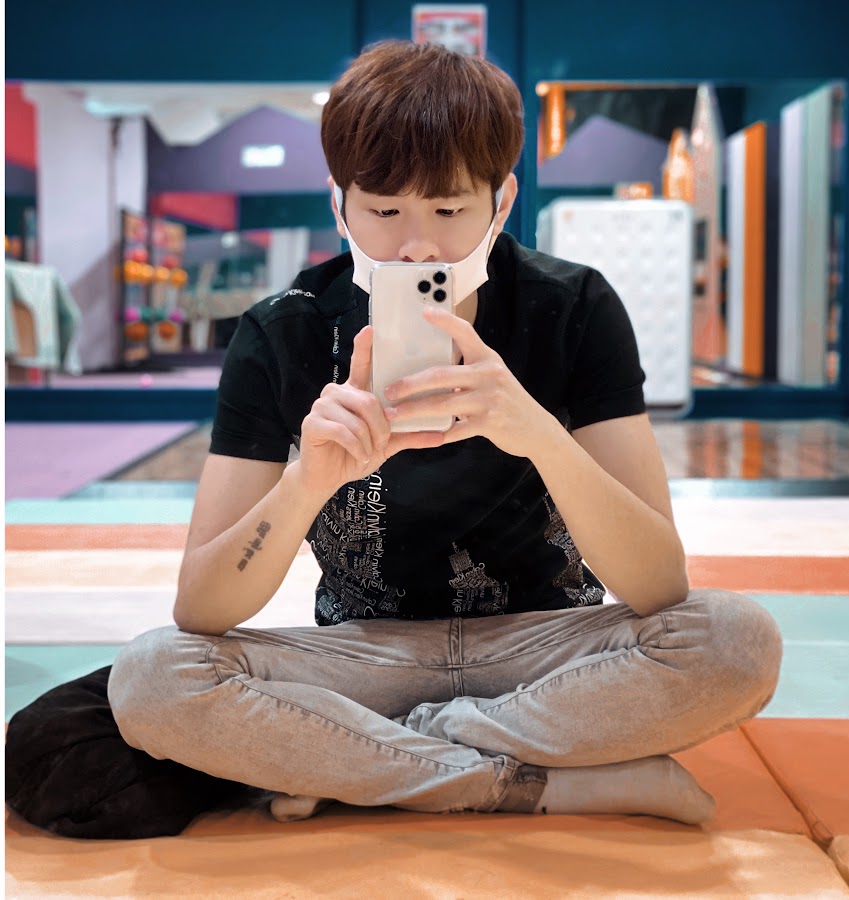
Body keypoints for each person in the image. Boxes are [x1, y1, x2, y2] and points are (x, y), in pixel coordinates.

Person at [108, 40, 782, 824]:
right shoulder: (283, 331)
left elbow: (659, 585)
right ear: (339, 205)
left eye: (450, 210)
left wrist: (537, 433)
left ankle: (369, 761)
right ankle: (531, 780)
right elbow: (202, 608)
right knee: (154, 676)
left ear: (502, 201)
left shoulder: (574, 307)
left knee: (736, 640)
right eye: (384, 211)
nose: (417, 246)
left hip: (547, 651)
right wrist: (308, 481)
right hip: (364, 654)